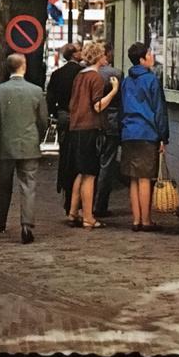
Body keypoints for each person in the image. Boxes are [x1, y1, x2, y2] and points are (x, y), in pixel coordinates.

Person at [0, 53, 49, 244]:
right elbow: (43, 120)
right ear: (24, 66)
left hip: (6, 147)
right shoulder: (36, 91)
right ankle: (27, 226)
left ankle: (0, 221)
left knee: (4, 185)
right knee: (28, 186)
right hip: (29, 145)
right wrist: (38, 138)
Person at [64, 42, 120, 229]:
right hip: (90, 128)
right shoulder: (95, 78)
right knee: (90, 174)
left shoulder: (79, 76)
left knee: (80, 171)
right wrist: (113, 91)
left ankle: (73, 212)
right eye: (103, 54)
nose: (106, 57)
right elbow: (97, 105)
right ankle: (88, 217)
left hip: (76, 127)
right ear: (98, 57)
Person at [120, 42, 170, 232]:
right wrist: (163, 137)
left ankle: (136, 219)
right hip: (147, 132)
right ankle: (147, 221)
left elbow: (123, 107)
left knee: (133, 178)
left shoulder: (126, 81)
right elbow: (159, 110)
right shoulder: (151, 80)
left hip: (128, 132)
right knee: (145, 178)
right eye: (149, 54)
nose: (152, 57)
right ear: (142, 59)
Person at [47, 42, 84, 212]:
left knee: (65, 156)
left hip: (63, 116)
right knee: (79, 159)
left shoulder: (57, 74)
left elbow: (50, 98)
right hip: (79, 117)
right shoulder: (81, 73)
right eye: (79, 50)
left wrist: (55, 114)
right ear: (74, 54)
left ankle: (65, 192)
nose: (82, 52)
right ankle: (76, 200)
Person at [93, 42, 124, 219]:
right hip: (111, 123)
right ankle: (100, 205)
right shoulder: (116, 74)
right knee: (107, 164)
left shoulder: (88, 74)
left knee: (92, 164)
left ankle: (86, 202)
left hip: (93, 123)